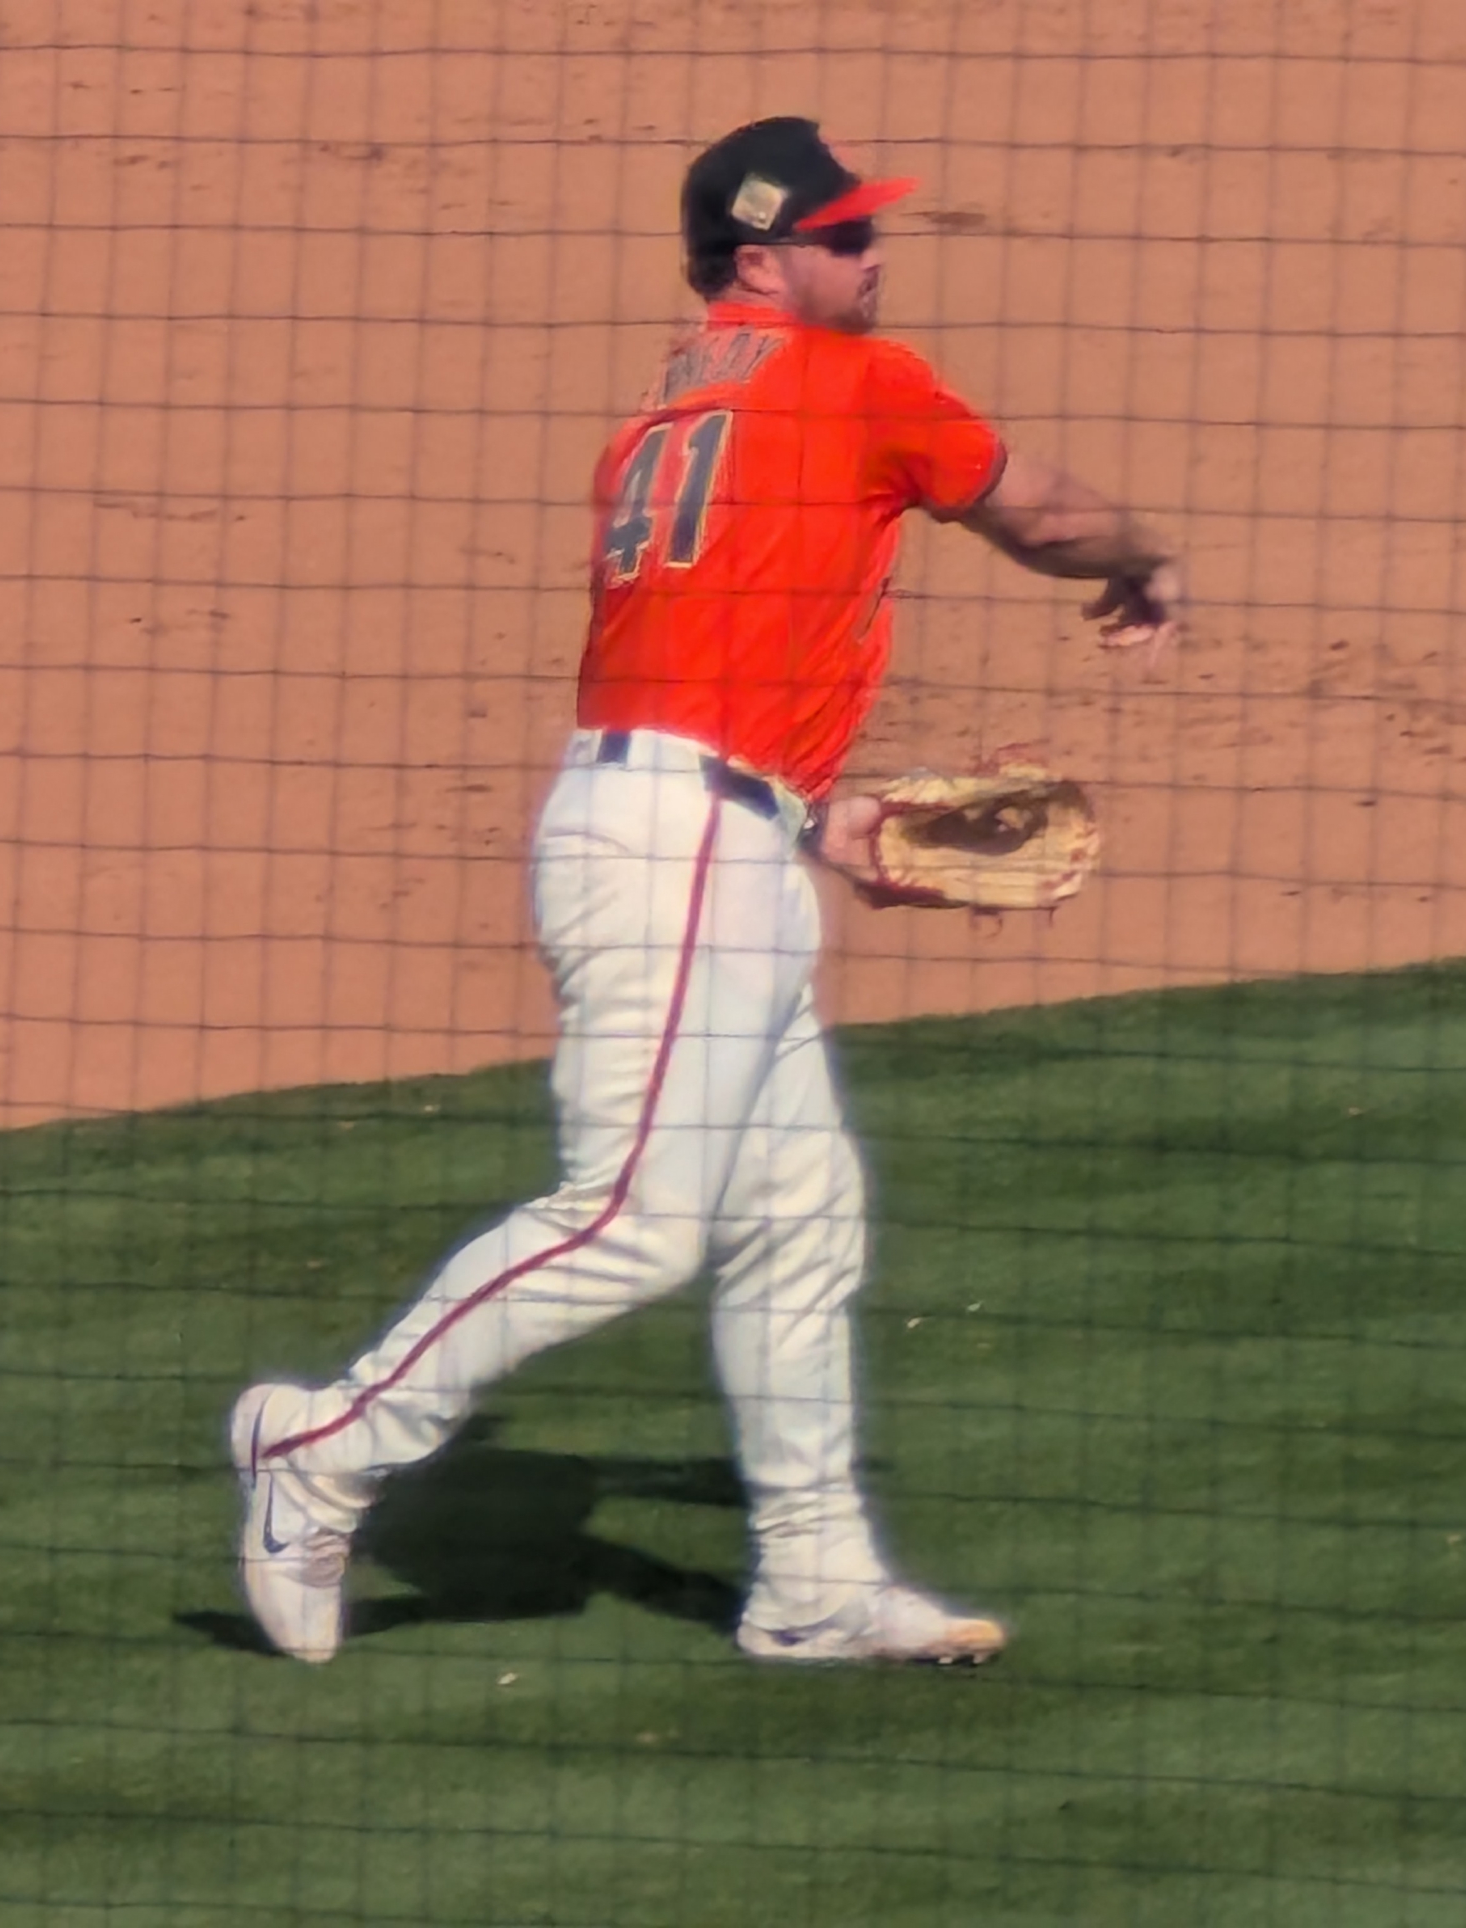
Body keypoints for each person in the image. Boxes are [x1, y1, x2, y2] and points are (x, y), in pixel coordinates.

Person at [229, 116, 1183, 1666]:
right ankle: (323, 1452)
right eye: (845, 237)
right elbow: (1045, 513)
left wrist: (811, 820)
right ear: (763, 257)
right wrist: (1147, 559)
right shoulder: (854, 382)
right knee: (630, 1218)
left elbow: (689, 671)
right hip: (673, 857)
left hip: (689, 829)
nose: (873, 256)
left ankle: (812, 1583)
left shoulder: (664, 416)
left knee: (801, 1213)